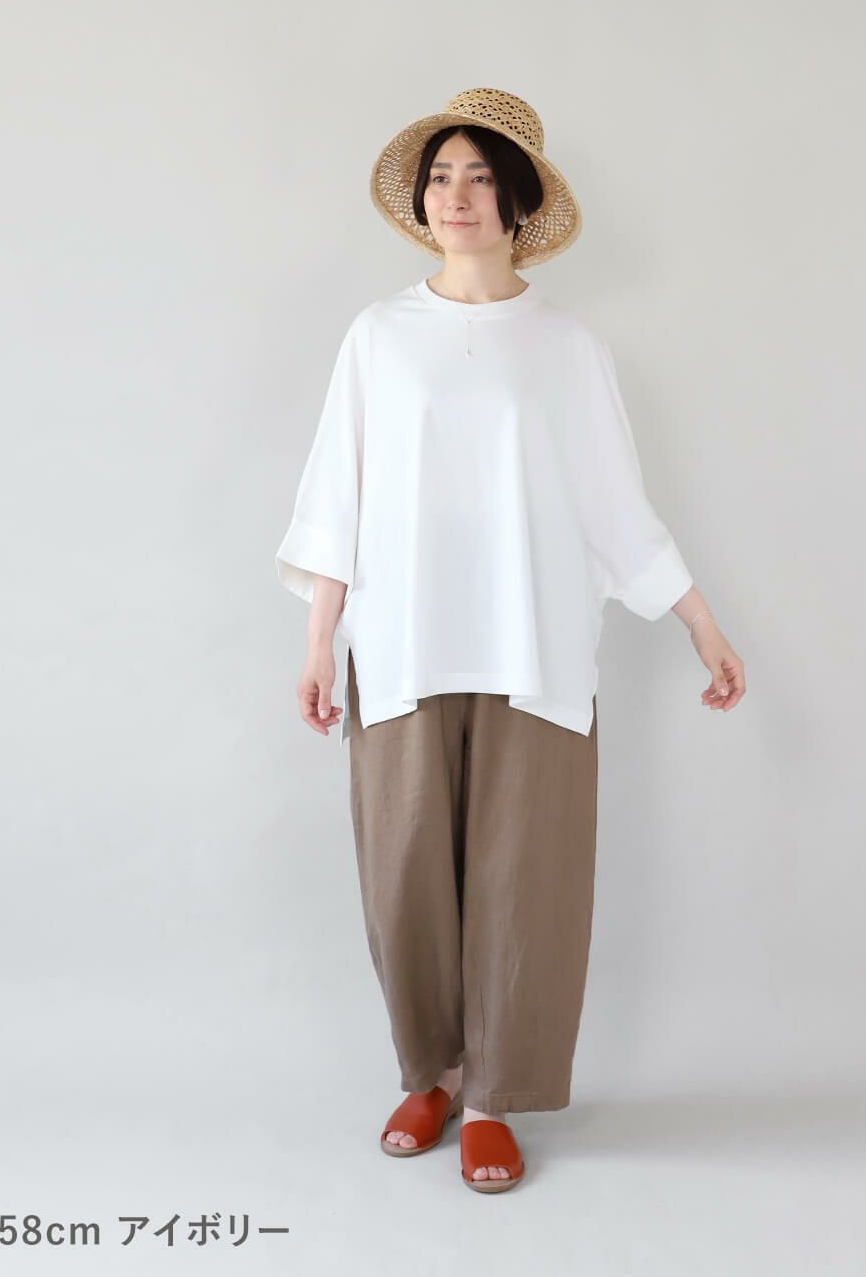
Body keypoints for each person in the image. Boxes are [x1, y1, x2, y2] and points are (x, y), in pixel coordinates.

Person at [275, 88, 746, 1194]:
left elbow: (615, 506)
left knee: (523, 881)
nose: (457, 197)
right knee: (403, 874)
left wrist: (701, 623)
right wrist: (318, 642)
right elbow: (336, 499)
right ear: (420, 201)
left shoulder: (567, 346)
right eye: (441, 177)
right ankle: (432, 1072)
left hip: (533, 649)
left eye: (480, 177)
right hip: (402, 646)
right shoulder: (378, 337)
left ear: (518, 202)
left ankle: (491, 1096)